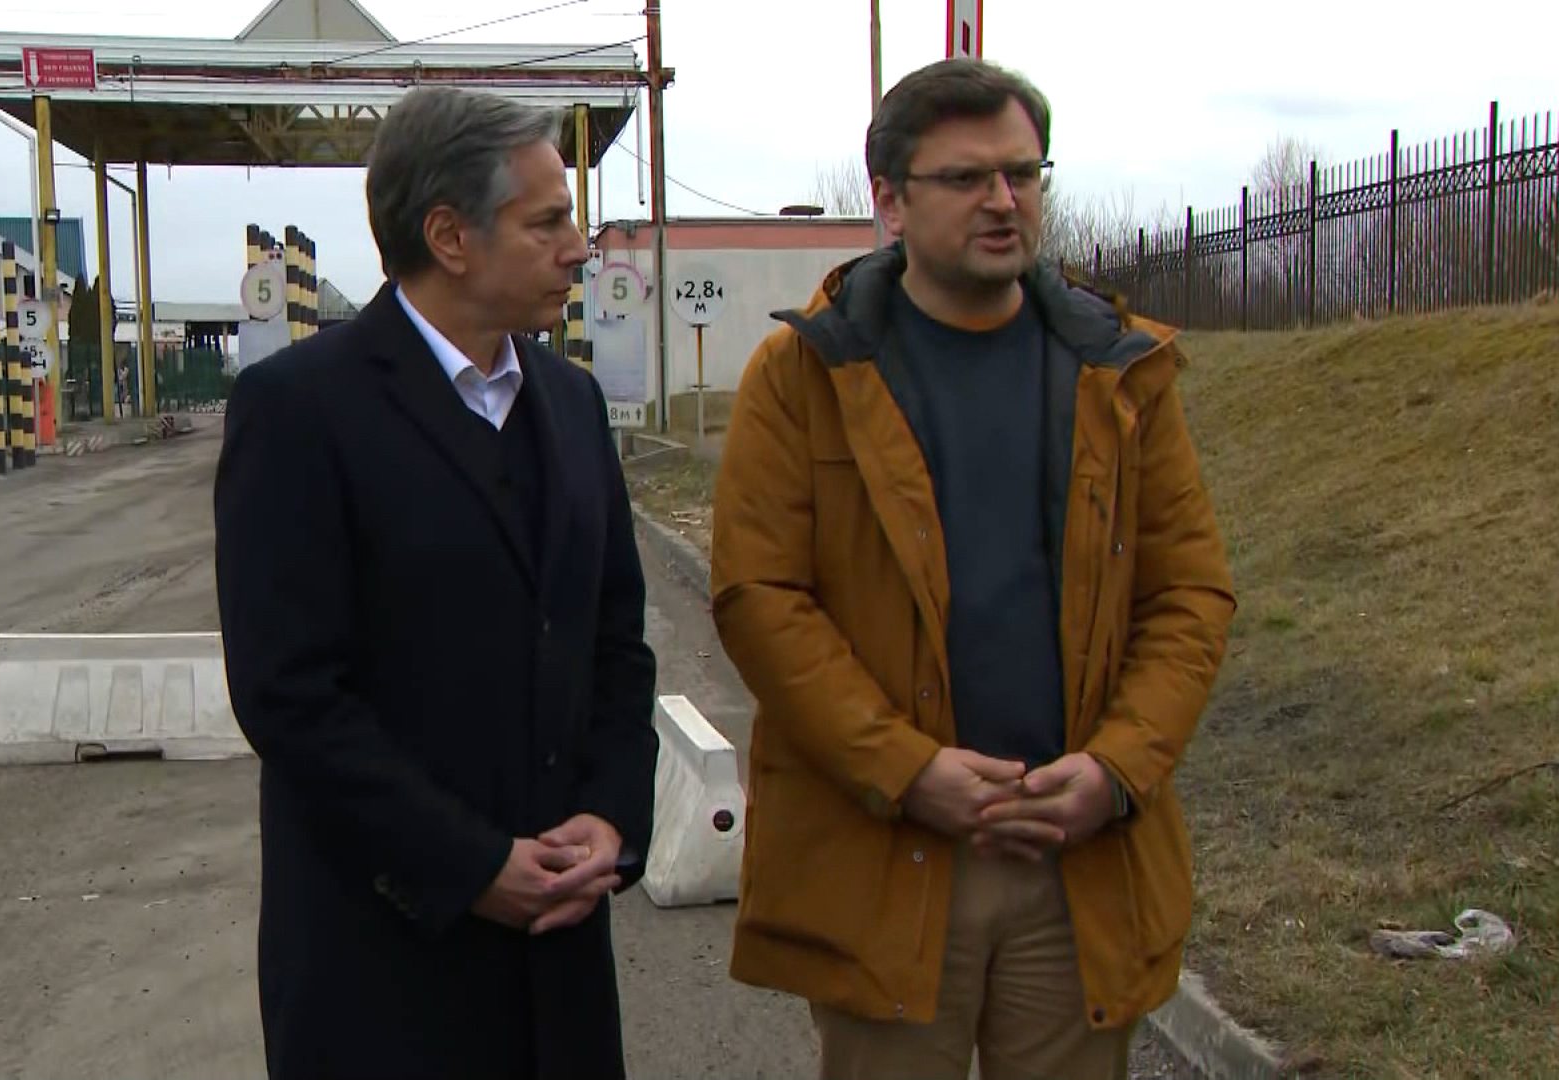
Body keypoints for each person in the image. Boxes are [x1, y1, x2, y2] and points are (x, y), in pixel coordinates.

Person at [709, 57, 1236, 1080]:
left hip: (1074, 857)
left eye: (1024, 174)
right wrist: (908, 771)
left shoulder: (1119, 369)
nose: (1003, 201)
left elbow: (1189, 594)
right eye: (966, 179)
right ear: (891, 201)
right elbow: (760, 599)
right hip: (889, 853)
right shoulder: (807, 372)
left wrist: (1118, 769)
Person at [214, 85, 659, 1080]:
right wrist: (468, 865)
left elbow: (616, 647)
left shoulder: (572, 405)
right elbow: (289, 696)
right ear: (451, 236)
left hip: (560, 962)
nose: (579, 247)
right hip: (384, 966)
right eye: (547, 222)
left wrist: (615, 815)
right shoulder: (299, 411)